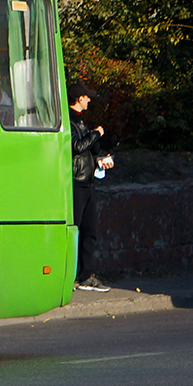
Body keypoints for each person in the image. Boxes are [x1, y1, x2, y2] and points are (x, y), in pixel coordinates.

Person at [69, 82, 115, 292]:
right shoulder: (70, 121)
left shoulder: (81, 121)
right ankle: (71, 275)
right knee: (75, 230)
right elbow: (76, 147)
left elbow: (86, 151)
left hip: (87, 182)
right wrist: (96, 134)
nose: (89, 100)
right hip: (76, 184)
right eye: (87, 97)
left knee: (91, 231)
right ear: (79, 98)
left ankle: (86, 275)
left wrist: (100, 160)